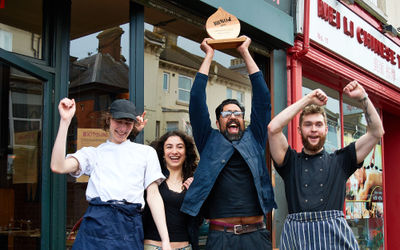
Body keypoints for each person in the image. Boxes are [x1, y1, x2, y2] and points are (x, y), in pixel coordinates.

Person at [180, 36, 276, 250]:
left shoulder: (255, 137)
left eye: (238, 113)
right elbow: (196, 100)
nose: (233, 116)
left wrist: (244, 51)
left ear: (244, 119)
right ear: (217, 122)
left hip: (257, 236)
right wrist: (209, 56)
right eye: (226, 113)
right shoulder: (208, 140)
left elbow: (262, 98)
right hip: (221, 237)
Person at [267, 80, 384, 249]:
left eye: (318, 124)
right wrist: (307, 99)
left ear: (326, 130)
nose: (313, 129)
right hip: (297, 241)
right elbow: (273, 128)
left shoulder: (341, 160)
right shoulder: (289, 162)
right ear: (299, 130)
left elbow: (376, 132)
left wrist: (363, 97)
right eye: (308, 125)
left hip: (335, 241)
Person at [50, 98, 172, 250]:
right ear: (108, 120)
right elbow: (58, 166)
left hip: (129, 225)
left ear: (134, 124)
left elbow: (153, 195)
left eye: (128, 123)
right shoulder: (93, 154)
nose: (122, 128)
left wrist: (165, 240)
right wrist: (65, 121)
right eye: (118, 121)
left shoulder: (146, 153)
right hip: (96, 223)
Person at [143, 130, 200, 250]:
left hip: (184, 247)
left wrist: (195, 196)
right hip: (154, 246)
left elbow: (198, 221)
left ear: (186, 152)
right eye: (169, 147)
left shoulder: (193, 182)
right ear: (163, 153)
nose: (174, 151)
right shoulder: (152, 179)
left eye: (180, 147)